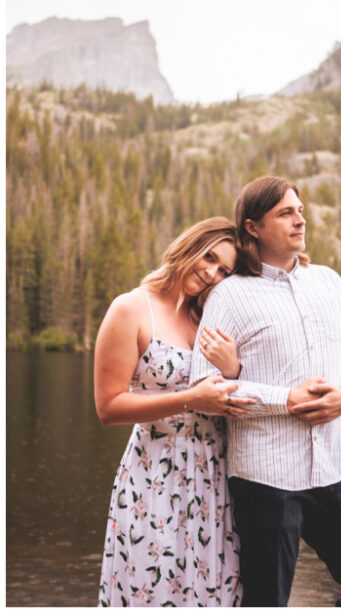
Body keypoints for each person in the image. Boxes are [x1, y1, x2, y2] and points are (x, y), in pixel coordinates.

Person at [190, 175, 341, 607]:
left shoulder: (329, 282)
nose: (299, 220)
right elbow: (204, 386)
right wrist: (285, 400)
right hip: (266, 481)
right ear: (253, 227)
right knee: (267, 602)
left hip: (336, 473)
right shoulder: (229, 295)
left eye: (300, 210)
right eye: (285, 213)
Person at [95, 217, 255, 607]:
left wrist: (233, 370)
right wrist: (190, 399)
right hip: (152, 480)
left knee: (213, 591)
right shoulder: (132, 308)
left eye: (224, 271)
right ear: (190, 245)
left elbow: (230, 396)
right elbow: (109, 406)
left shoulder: (210, 318)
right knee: (148, 589)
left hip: (214, 482)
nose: (212, 272)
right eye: (210, 257)